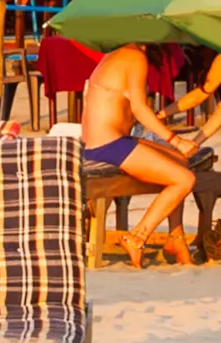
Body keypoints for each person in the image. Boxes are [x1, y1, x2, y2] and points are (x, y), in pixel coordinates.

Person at [76, 43, 201, 234]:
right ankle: (138, 237)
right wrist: (175, 140)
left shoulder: (117, 53)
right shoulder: (134, 56)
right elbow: (140, 109)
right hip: (108, 146)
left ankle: (176, 239)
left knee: (181, 161)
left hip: (110, 142)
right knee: (184, 180)